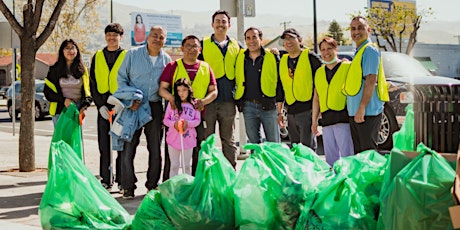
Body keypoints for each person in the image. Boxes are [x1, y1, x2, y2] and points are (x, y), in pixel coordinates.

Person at [116, 26, 172, 199]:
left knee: (155, 149)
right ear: (148, 37)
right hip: (133, 106)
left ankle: (152, 185)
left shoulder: (167, 60)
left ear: (164, 40)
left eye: (161, 37)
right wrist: (129, 100)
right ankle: (128, 186)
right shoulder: (132, 55)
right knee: (128, 148)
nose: (157, 39)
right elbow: (121, 79)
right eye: (154, 35)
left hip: (155, 106)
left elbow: (168, 86)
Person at [159, 35, 218, 176]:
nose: (192, 49)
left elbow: (214, 91)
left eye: (195, 46)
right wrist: (172, 98)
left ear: (200, 49)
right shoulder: (173, 66)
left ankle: (195, 184)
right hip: (175, 119)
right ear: (182, 48)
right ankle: (169, 185)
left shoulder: (205, 67)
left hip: (197, 118)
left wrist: (203, 101)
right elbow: (162, 89)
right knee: (172, 156)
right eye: (188, 46)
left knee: (197, 153)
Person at [198, 10, 240, 169]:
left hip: (228, 101)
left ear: (229, 25)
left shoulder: (236, 45)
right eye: (218, 21)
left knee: (228, 140)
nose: (221, 24)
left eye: (224, 21)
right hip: (207, 101)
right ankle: (207, 172)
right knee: (207, 139)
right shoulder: (203, 44)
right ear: (212, 24)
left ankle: (231, 172)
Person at [344, 16, 389, 154]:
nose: (356, 32)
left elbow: (371, 80)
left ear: (368, 30)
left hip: (366, 112)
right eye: (353, 29)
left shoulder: (369, 50)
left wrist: (362, 107)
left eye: (360, 28)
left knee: (367, 155)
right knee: (360, 155)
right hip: (357, 112)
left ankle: (372, 177)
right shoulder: (360, 51)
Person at [89, 23, 126, 192]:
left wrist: (122, 104)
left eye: (115, 35)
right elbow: (93, 82)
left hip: (120, 105)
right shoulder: (97, 56)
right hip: (103, 105)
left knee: (120, 145)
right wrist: (99, 106)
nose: (112, 38)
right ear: (105, 36)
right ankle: (105, 179)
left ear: (121, 37)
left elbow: (130, 80)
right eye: (109, 35)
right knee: (104, 145)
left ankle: (121, 179)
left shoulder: (127, 55)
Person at [234, 27, 283, 144]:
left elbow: (279, 82)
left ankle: (273, 163)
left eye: (254, 37)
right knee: (254, 144)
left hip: (268, 106)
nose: (251, 41)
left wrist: (279, 107)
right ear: (245, 41)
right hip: (248, 107)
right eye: (248, 38)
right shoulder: (240, 56)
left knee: (274, 144)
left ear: (261, 39)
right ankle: (257, 163)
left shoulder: (272, 56)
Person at [312, 37, 354, 166]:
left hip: (343, 119)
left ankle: (349, 182)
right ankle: (334, 183)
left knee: (348, 157)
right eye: (323, 49)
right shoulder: (319, 72)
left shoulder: (347, 66)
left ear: (336, 49)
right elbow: (316, 98)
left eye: (329, 48)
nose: (326, 52)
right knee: (331, 160)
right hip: (326, 120)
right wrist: (314, 121)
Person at [278, 28, 322, 150]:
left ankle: (311, 169)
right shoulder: (283, 60)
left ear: (300, 40)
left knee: (307, 149)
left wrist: (319, 111)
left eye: (292, 38)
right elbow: (280, 88)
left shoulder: (310, 57)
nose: (288, 42)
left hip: (307, 110)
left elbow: (322, 81)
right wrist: (280, 112)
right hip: (291, 111)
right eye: (285, 39)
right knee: (295, 148)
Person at [44, 39, 91, 127]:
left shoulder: (83, 70)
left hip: (78, 109)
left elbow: (88, 91)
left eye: (73, 48)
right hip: (60, 110)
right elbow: (48, 93)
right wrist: (64, 100)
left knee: (76, 140)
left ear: (77, 51)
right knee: (61, 140)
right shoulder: (54, 70)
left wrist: (84, 107)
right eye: (67, 48)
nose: (70, 51)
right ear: (62, 51)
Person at [163, 78, 201, 178]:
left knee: (186, 165)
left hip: (188, 140)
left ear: (189, 90)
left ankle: (187, 186)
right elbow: (166, 120)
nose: (181, 93)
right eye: (179, 91)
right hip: (173, 139)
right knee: (174, 165)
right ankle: (173, 187)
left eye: (184, 90)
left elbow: (197, 120)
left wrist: (187, 123)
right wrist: (174, 124)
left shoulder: (194, 104)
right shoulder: (172, 103)